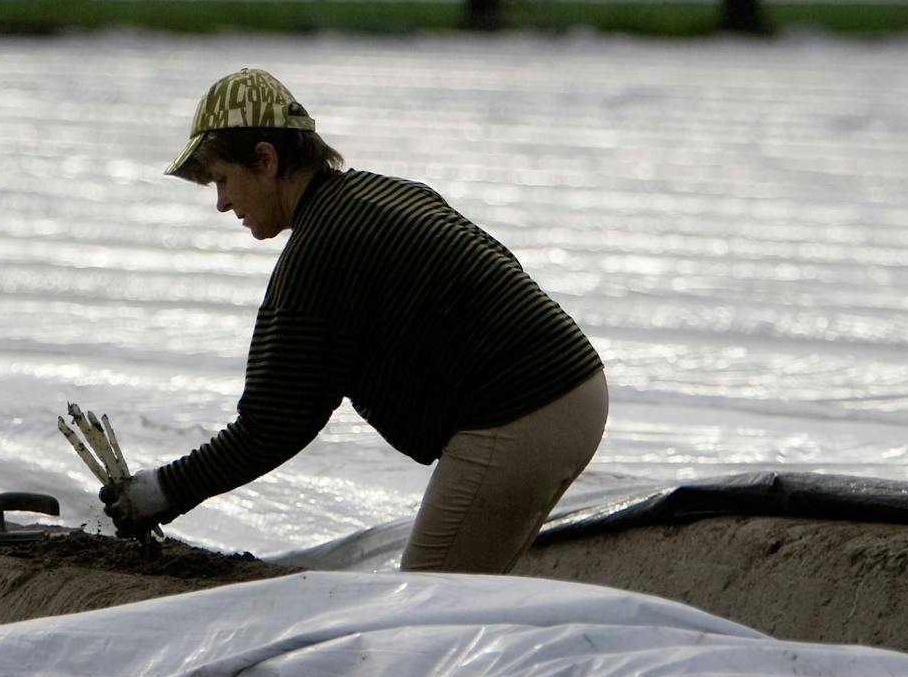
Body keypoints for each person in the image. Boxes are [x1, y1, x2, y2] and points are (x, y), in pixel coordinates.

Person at [97, 66, 607, 573]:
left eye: (224, 180)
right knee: (472, 585)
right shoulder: (383, 194)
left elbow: (272, 425)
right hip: (576, 387)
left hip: (521, 412)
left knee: (424, 608)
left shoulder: (321, 249)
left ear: (266, 159)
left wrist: (160, 491)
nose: (223, 203)